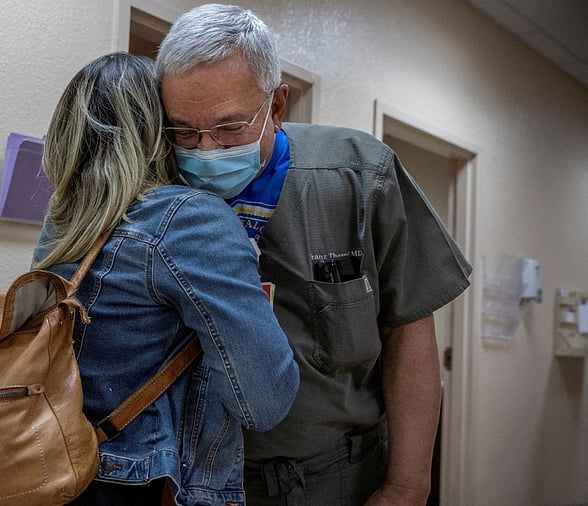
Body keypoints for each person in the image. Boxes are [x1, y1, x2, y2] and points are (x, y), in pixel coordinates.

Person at [156, 4, 472, 505]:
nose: (207, 151)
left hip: (338, 476)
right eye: (185, 132)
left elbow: (409, 328)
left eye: (230, 127)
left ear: (277, 106)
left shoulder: (358, 178)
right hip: (195, 477)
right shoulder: (159, 192)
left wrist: (408, 485)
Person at [32, 52, 300, 506]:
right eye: (183, 127)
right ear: (159, 131)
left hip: (60, 468)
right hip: (149, 486)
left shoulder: (61, 223)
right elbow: (265, 401)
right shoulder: (187, 219)